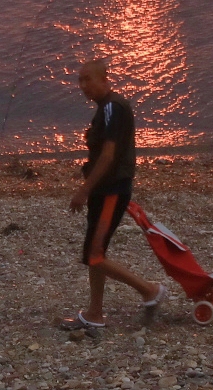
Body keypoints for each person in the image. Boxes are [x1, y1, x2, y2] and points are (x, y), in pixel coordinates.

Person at [61, 59, 164, 331]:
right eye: (80, 80)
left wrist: (83, 190)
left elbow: (108, 156)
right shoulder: (104, 108)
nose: (83, 86)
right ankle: (94, 313)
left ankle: (150, 290)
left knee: (94, 255)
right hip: (102, 190)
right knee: (96, 252)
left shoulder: (112, 108)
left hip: (111, 191)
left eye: (88, 79)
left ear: (104, 79)